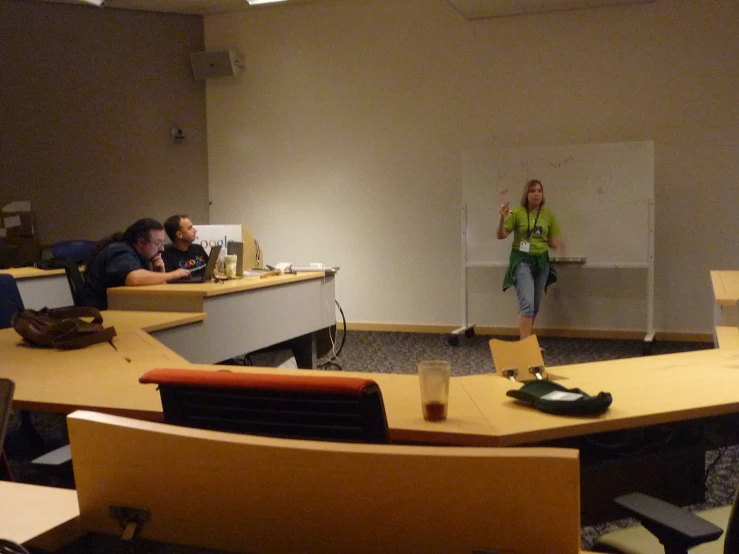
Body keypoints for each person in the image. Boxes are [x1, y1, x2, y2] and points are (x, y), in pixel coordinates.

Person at [497, 179, 562, 340]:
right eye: (532, 191)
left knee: (535, 305)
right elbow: (501, 235)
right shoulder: (517, 213)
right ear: (526, 194)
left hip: (541, 263)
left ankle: (526, 341)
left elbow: (552, 243)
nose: (536, 194)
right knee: (527, 304)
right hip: (522, 262)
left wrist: (560, 244)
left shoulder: (549, 216)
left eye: (539, 191)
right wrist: (502, 219)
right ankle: (526, 345)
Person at [81, 218, 190, 309]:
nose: (162, 248)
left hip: (120, 305)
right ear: (141, 242)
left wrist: (160, 272)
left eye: (163, 242)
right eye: (158, 243)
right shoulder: (121, 251)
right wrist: (175, 274)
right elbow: (133, 278)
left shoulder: (141, 255)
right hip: (99, 312)